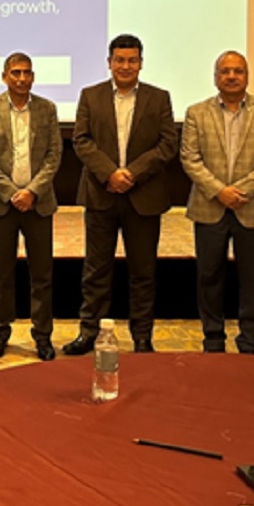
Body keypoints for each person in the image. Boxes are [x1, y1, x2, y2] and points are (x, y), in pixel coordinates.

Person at [66, 34, 178, 355]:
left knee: (143, 273)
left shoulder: (159, 98)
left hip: (144, 196)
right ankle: (89, 332)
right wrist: (110, 173)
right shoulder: (91, 96)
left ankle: (142, 337)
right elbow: (81, 140)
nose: (125, 66)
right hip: (101, 194)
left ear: (141, 63)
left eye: (132, 60)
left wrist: (132, 174)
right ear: (109, 62)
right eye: (119, 60)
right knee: (96, 271)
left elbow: (168, 143)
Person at [179, 51, 254, 355]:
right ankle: (213, 338)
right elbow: (190, 158)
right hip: (209, 206)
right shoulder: (196, 112)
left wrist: (240, 191)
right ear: (215, 77)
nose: (232, 76)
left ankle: (250, 341)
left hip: (253, 207)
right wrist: (219, 191)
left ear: (247, 76)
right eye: (225, 71)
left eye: (238, 71)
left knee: (252, 278)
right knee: (209, 276)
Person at [0, 53, 62, 361]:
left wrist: (32, 192)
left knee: (42, 274)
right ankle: (0, 331)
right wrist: (12, 193)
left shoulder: (47, 108)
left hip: (38, 203)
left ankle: (43, 335)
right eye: (15, 73)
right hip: (2, 204)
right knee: (1, 273)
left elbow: (54, 155)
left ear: (33, 76)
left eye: (26, 73)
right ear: (5, 76)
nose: (21, 78)